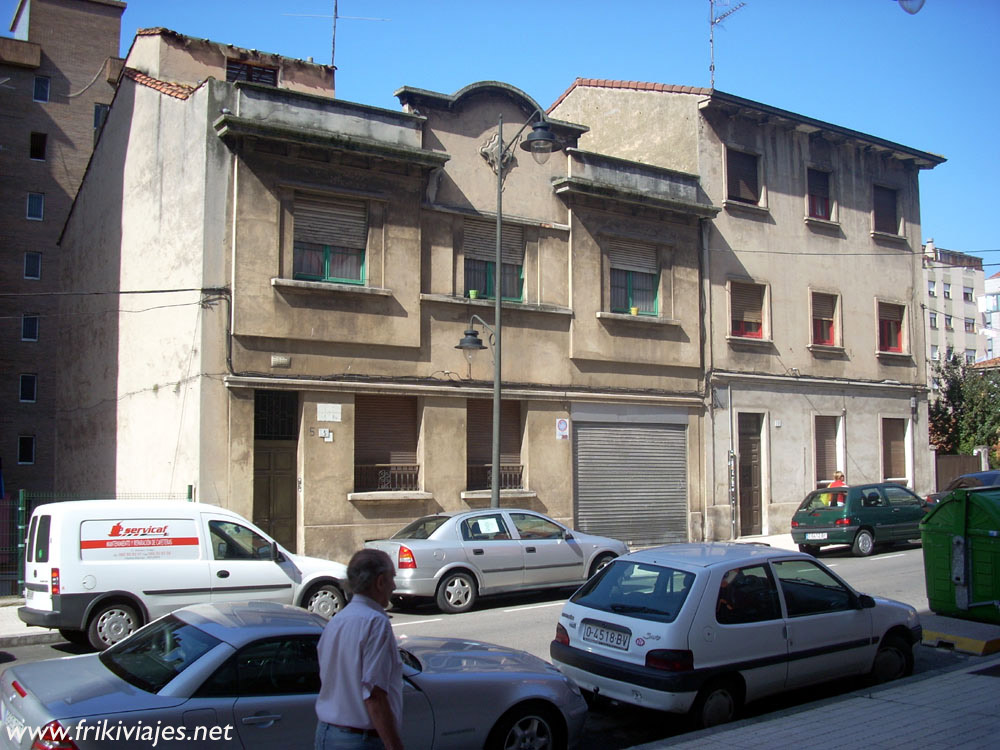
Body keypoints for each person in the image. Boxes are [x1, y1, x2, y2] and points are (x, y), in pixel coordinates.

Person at [315, 549, 404, 750]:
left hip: (327, 734)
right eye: (392, 578)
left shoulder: (337, 621)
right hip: (359, 740)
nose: (394, 586)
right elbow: (374, 694)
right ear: (380, 582)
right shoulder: (376, 622)